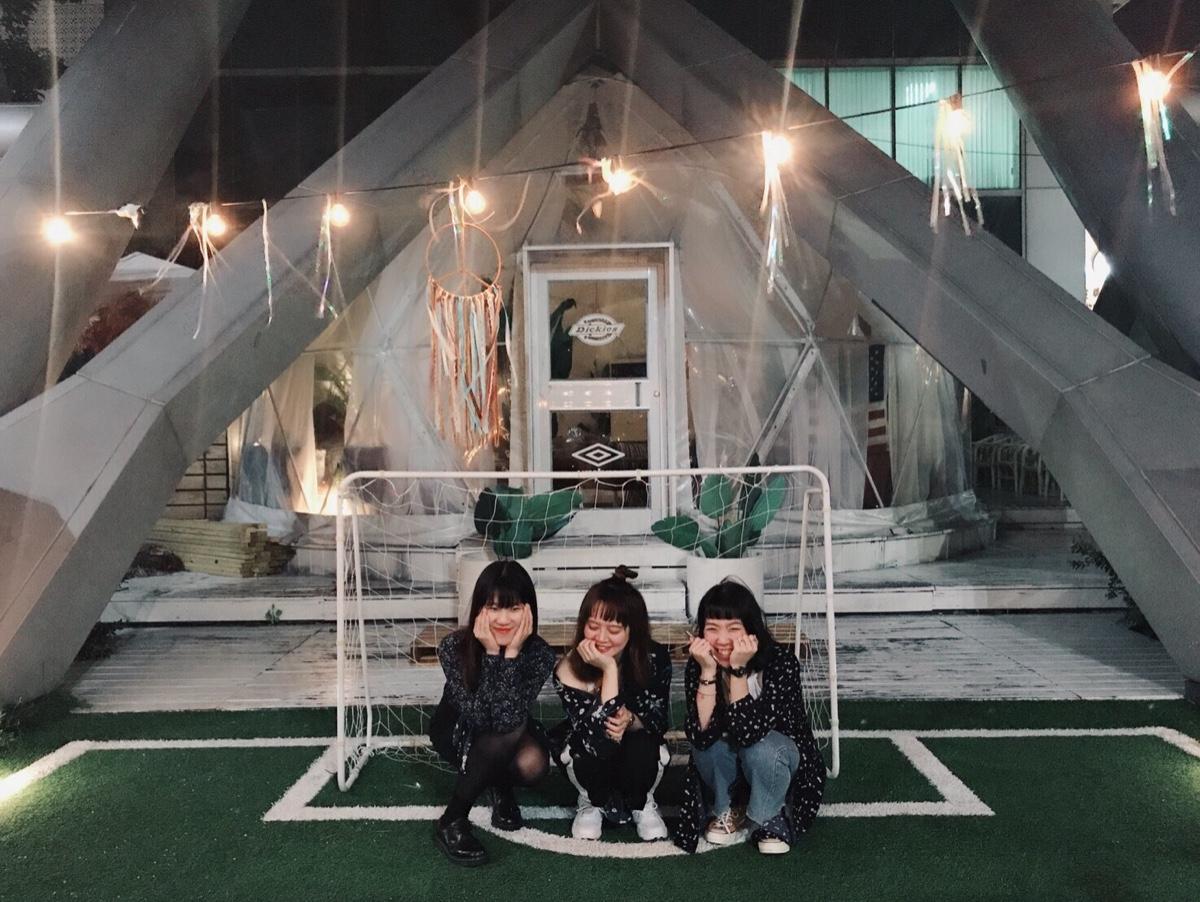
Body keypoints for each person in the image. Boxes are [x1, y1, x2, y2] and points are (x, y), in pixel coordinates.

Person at [672, 579, 825, 854]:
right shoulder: (701, 664)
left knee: (760, 749)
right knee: (707, 744)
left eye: (733, 629)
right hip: (734, 761)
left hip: (777, 759)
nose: (721, 640)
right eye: (712, 629)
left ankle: (769, 814)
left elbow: (750, 733)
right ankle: (729, 808)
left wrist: (738, 671)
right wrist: (708, 672)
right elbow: (700, 736)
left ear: (751, 631)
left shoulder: (781, 663)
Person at [430, 560, 555, 866]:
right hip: (456, 729)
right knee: (507, 730)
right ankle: (452, 819)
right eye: (493, 608)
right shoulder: (453, 646)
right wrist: (489, 653)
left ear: (528, 611)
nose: (503, 619)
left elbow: (505, 718)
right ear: (479, 610)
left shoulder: (539, 653)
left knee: (533, 763)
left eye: (513, 608)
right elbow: (479, 717)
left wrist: (510, 656)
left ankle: (498, 784)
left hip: (506, 727)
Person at [550, 566, 673, 841]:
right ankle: (591, 801)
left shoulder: (654, 658)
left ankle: (641, 802)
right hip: (591, 755)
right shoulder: (567, 668)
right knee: (588, 745)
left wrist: (631, 720)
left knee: (643, 742)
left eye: (614, 629)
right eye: (593, 627)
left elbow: (659, 721)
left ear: (633, 631)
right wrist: (608, 669)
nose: (601, 638)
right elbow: (599, 741)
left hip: (635, 751)